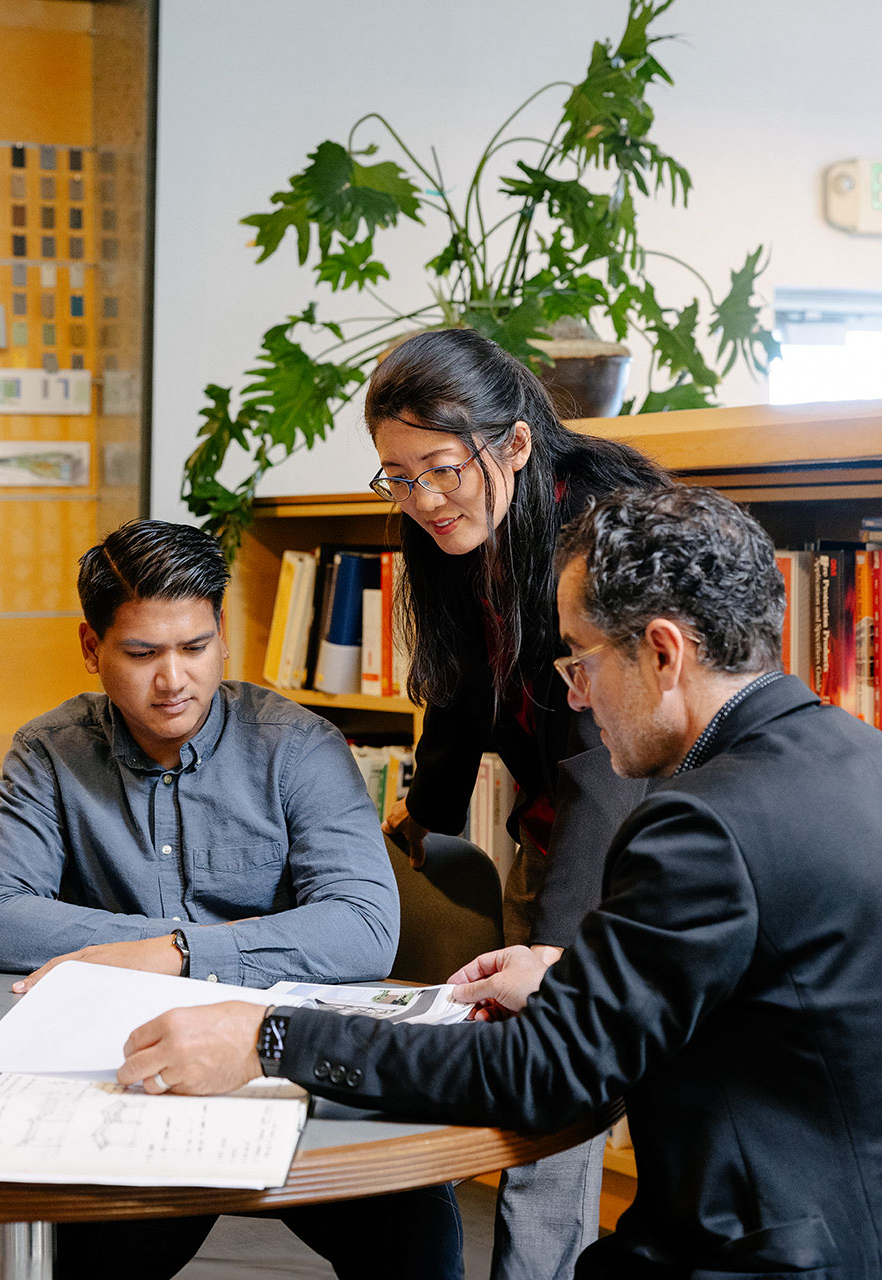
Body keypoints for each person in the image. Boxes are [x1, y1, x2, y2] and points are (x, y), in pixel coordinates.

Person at [118, 486, 882, 1280]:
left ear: (665, 652)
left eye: (581, 659)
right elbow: (779, 985)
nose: (573, 694)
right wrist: (577, 980)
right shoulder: (869, 759)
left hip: (816, 1254)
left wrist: (269, 1037)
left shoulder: (703, 822)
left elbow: (540, 1077)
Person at [0, 518, 461, 1280]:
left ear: (221, 635)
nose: (174, 679)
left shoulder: (297, 746)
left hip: (289, 1069)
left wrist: (174, 952)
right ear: (93, 649)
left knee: (414, 1233)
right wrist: (224, 942)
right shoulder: (51, 751)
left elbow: (363, 928)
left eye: (195, 647)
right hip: (132, 1074)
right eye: (141, 653)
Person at [368, 327, 669, 1278]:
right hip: (563, 812)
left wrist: (562, 950)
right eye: (397, 476)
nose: (422, 500)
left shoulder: (605, 537)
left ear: (517, 445)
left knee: (573, 1048)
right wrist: (429, 817)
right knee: (549, 1085)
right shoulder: (460, 528)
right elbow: (458, 681)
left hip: (670, 819)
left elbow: (603, 759)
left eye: (442, 469)